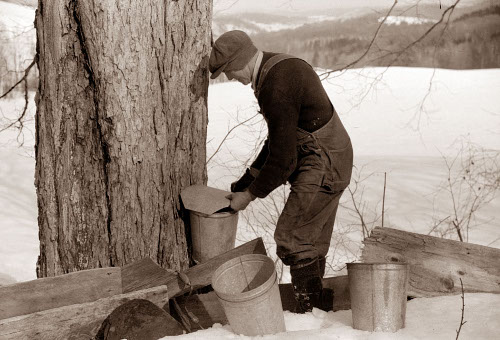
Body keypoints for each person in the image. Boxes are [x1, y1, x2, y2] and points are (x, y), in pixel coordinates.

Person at [209, 30, 353, 313]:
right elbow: (278, 140)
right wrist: (247, 179)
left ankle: (309, 310)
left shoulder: (276, 86)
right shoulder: (274, 68)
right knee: (308, 241)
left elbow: (285, 158)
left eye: (228, 71)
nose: (231, 78)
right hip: (326, 155)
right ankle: (317, 310)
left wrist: (249, 195)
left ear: (242, 60)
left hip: (324, 160)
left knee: (292, 237)